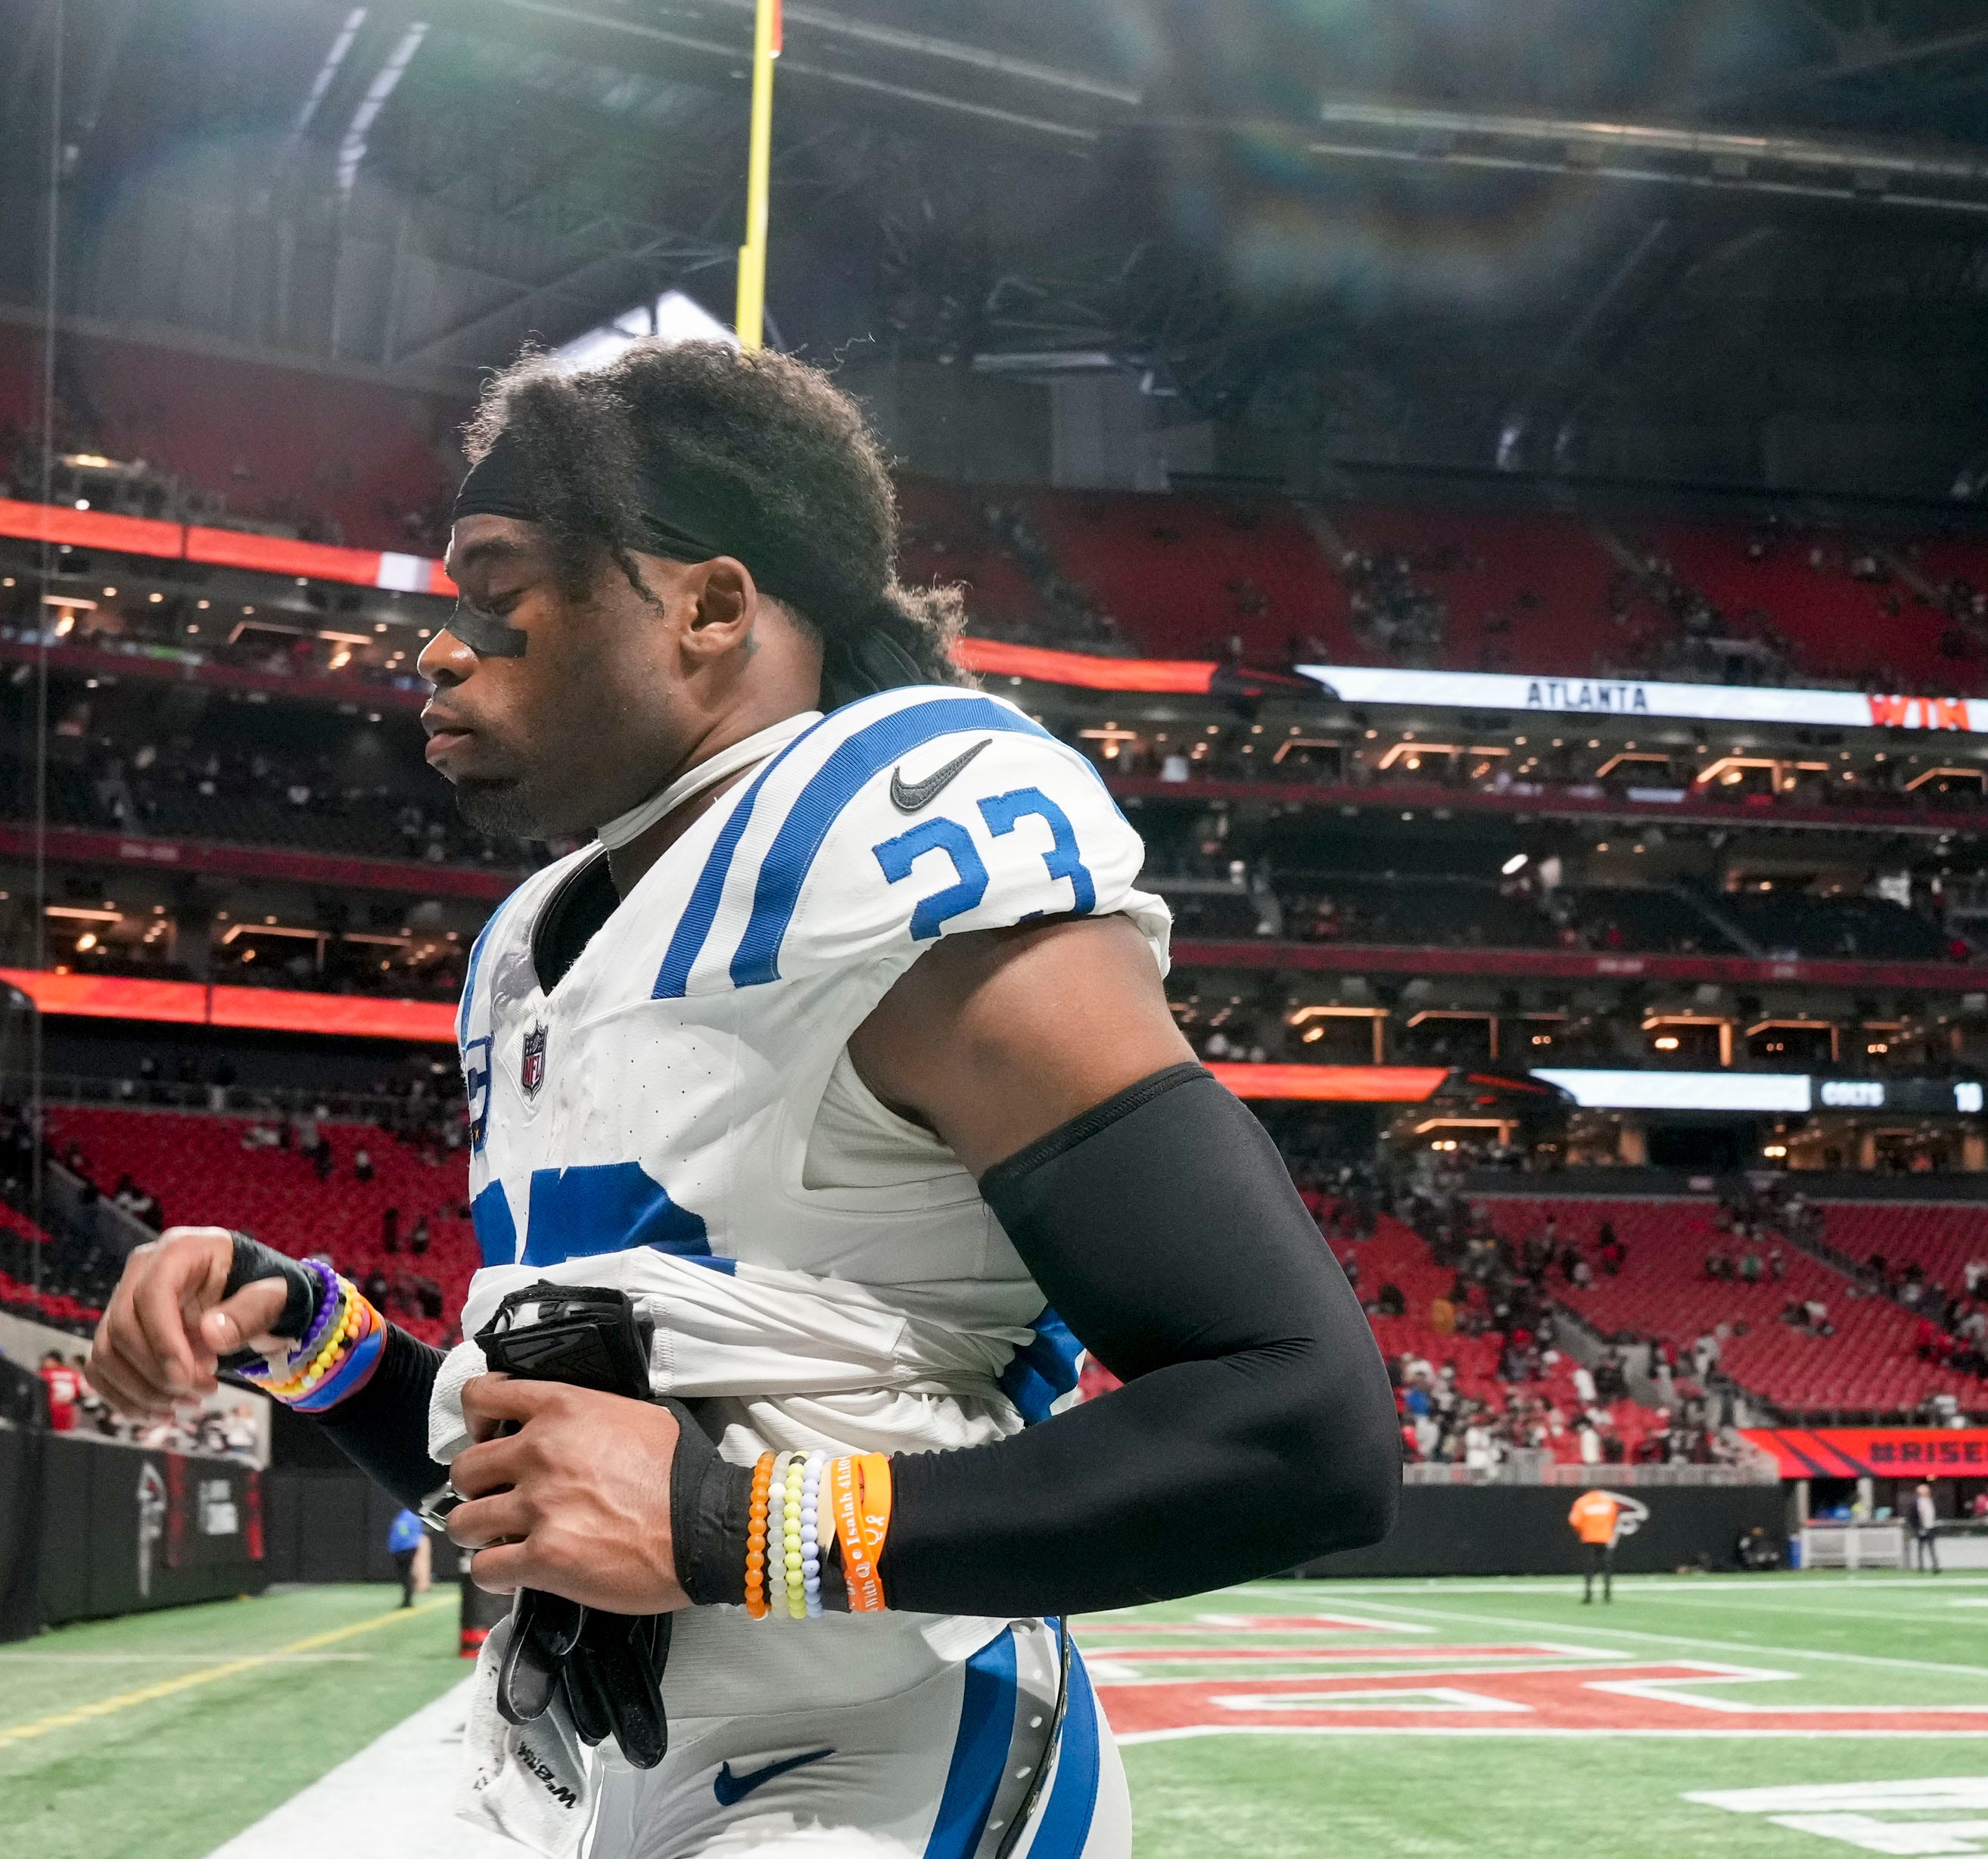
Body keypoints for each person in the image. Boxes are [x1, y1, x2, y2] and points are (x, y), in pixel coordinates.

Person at [86, 343, 1395, 1859]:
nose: (440, 650)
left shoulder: (891, 852)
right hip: (587, 1764)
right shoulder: (538, 944)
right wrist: (313, 1341)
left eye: (498, 587)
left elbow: (1304, 1421)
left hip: (880, 1769)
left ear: (708, 608)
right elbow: (585, 1464)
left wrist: (725, 1526)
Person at [1570, 1484, 1626, 1603]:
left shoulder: (1582, 1502)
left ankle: (1588, 1595)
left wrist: (1582, 1531)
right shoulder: (1608, 1502)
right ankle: (1607, 1595)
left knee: (1589, 1568)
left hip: (1589, 1538)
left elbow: (1575, 1521)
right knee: (1606, 1567)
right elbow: (1614, 1518)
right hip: (1605, 1538)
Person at [389, 1502, 430, 1608]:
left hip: (405, 1548)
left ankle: (408, 1600)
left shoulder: (408, 1515)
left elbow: (402, 1532)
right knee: (405, 1574)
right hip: (405, 1547)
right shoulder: (410, 1515)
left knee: (405, 1575)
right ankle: (408, 1599)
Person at [1911, 1478, 1943, 1575]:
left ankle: (1935, 1566)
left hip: (1931, 1527)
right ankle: (1921, 1567)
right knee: (1921, 1548)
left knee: (1932, 1548)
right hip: (1922, 1528)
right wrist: (1917, 1528)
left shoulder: (1931, 1501)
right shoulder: (1916, 1503)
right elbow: (1913, 1516)